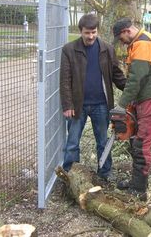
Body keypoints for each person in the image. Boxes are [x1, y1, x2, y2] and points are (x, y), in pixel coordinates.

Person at [111, 17, 151, 201]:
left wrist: (122, 105)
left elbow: (136, 78)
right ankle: (136, 182)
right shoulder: (139, 41)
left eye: (121, 38)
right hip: (144, 97)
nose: (121, 43)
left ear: (126, 32)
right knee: (135, 141)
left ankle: (140, 190)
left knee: (141, 144)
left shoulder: (142, 43)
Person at [59, 14, 126, 181]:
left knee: (103, 142)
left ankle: (105, 173)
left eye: (93, 32)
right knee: (73, 143)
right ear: (80, 31)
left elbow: (117, 75)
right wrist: (67, 104)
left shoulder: (107, 49)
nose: (90, 36)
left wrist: (132, 89)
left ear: (98, 31)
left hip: (101, 105)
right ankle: (71, 176)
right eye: (87, 33)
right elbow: (65, 79)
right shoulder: (69, 50)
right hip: (77, 105)